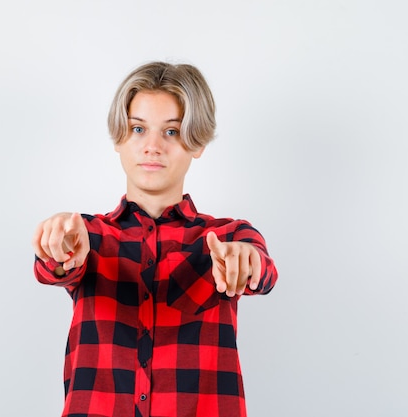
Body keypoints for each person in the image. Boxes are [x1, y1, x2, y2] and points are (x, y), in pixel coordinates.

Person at [32, 61, 278, 417]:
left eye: (172, 132)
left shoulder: (228, 236)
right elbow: (54, 266)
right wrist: (58, 247)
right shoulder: (86, 235)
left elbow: (263, 273)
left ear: (198, 142)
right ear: (119, 138)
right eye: (137, 129)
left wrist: (245, 261)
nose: (152, 147)